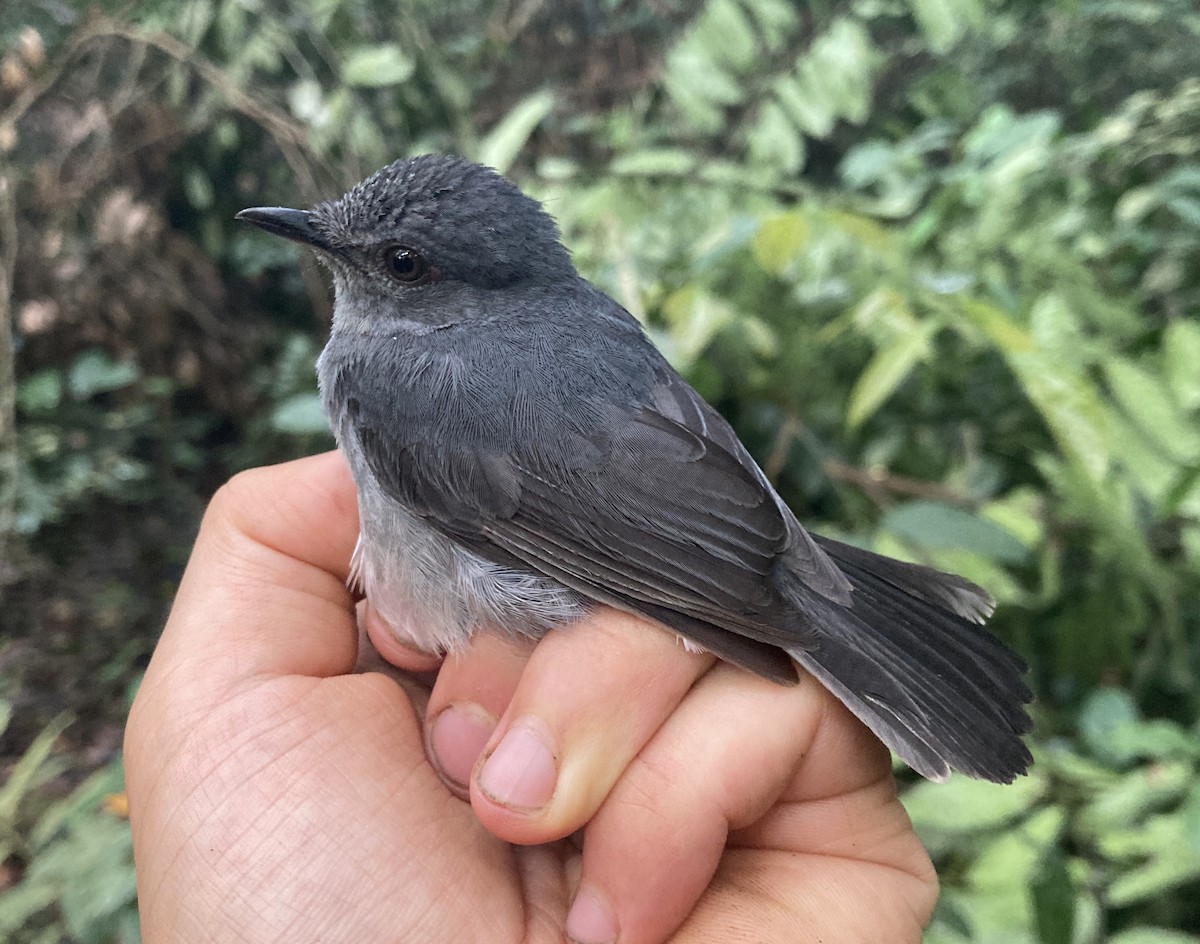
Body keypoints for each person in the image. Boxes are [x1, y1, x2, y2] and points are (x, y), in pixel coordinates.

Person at [124, 452, 937, 943]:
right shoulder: (425, 374)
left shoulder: (397, 379)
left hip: (657, 552)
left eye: (400, 266)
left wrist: (757, 593)